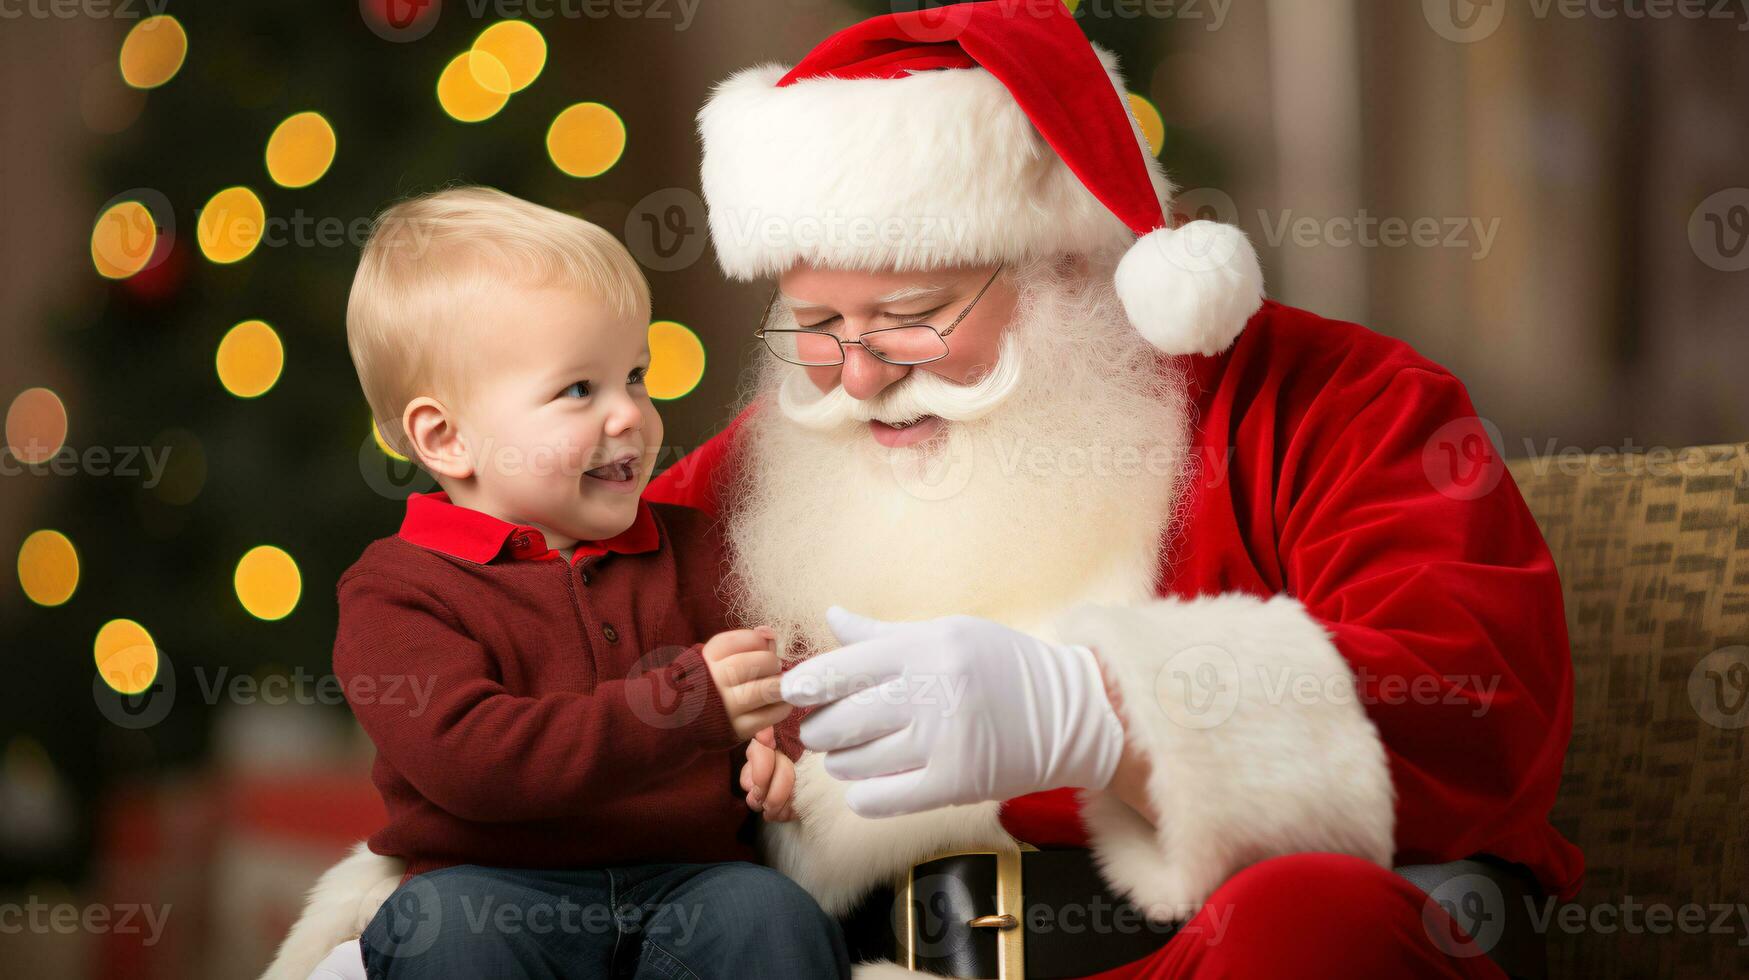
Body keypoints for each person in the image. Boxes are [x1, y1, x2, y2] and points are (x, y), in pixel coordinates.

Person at [651, 1, 1584, 977]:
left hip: (1201, 958)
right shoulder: (774, 464)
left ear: (1072, 268)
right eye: (815, 323)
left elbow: (1478, 707)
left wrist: (1095, 714)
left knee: (1312, 917)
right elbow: (541, 648)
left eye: (911, 316)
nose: (856, 377)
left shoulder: (1334, 404)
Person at [271, 186, 848, 980]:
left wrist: (775, 743)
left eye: (635, 377)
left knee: (770, 914)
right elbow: (476, 760)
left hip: (686, 882)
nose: (630, 417)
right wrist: (680, 705)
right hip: (488, 890)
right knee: (444, 934)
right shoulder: (397, 592)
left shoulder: (691, 545)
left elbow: (788, 659)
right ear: (446, 438)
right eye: (580, 390)